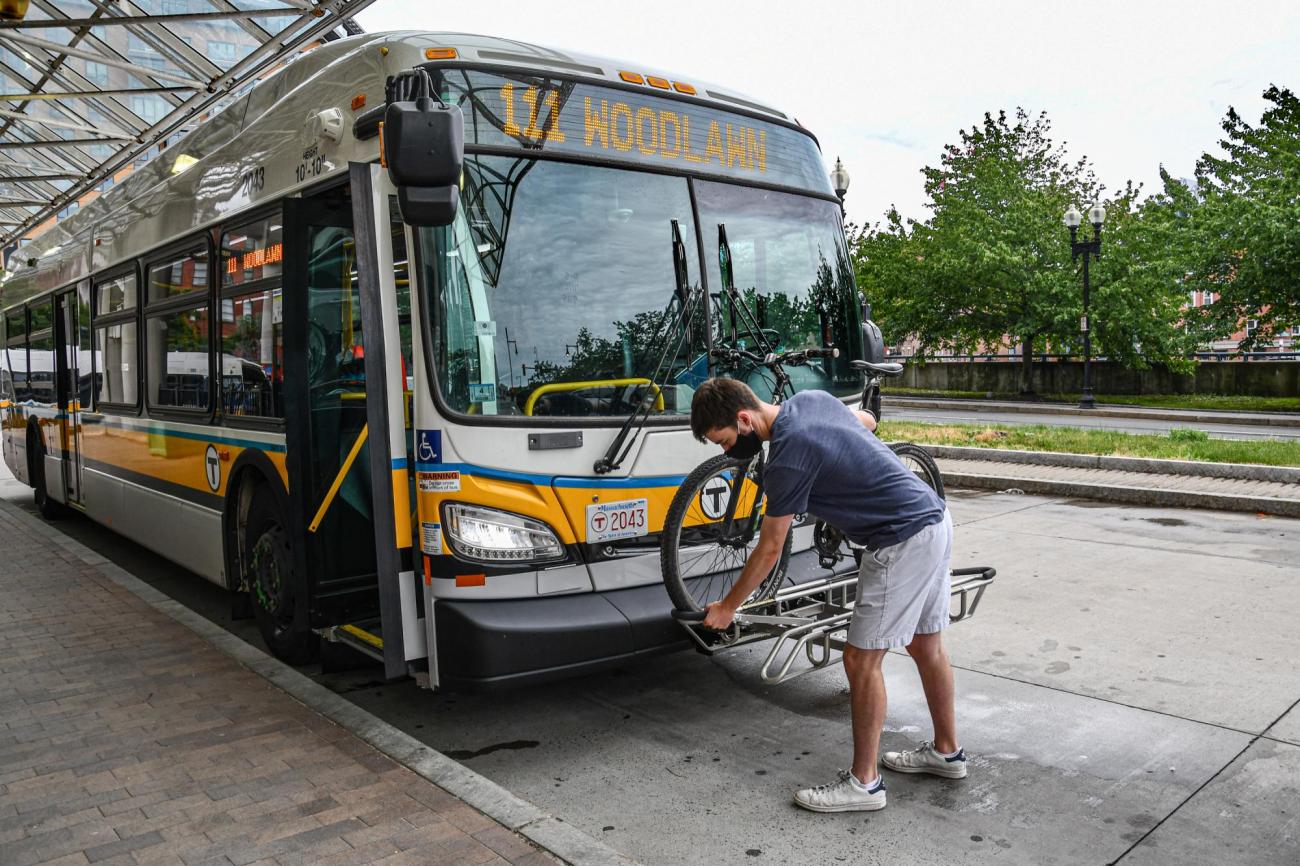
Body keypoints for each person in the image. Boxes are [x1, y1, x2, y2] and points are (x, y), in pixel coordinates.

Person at [689, 378, 965, 813]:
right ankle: (947, 752)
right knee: (925, 644)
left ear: (743, 419)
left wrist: (728, 606)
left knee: (860, 659)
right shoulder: (809, 402)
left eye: (723, 441)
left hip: (899, 540)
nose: (725, 452)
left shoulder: (786, 459)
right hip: (933, 517)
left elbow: (770, 548)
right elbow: (866, 421)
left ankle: (865, 785)